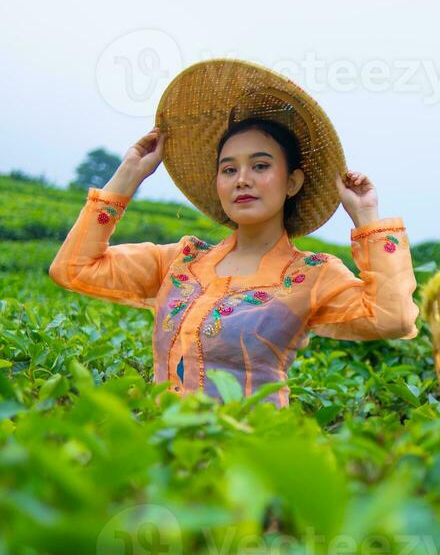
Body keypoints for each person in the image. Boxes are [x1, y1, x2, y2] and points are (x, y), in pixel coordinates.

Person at [49, 59, 420, 408]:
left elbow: (393, 318)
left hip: (248, 453)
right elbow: (73, 268)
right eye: (229, 169)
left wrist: (367, 217)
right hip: (167, 454)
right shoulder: (181, 262)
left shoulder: (311, 275)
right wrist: (129, 174)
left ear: (292, 181)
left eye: (260, 165)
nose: (242, 179)